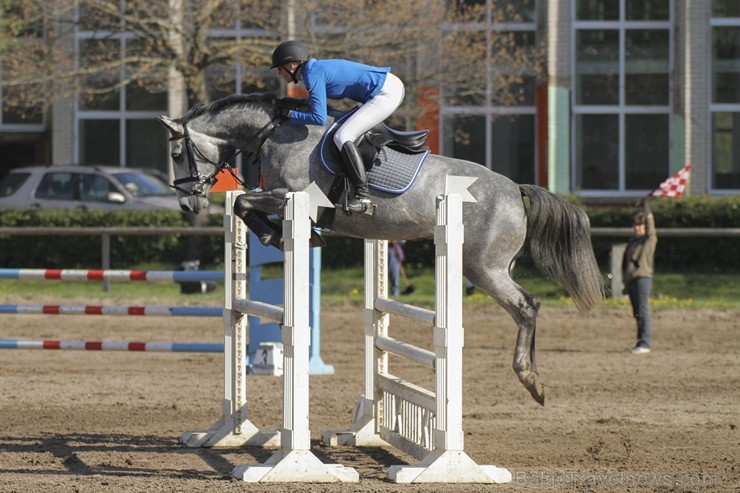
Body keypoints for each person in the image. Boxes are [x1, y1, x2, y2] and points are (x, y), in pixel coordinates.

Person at [270, 40, 405, 213]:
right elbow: (314, 108)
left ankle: (363, 197)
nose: (278, 73)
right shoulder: (312, 70)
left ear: (292, 65)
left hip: (386, 93)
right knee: (342, 129)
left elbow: (319, 118)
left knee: (343, 136)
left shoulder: (312, 74)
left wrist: (290, 115)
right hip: (384, 89)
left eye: (279, 68)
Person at [622, 197, 658, 354]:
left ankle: (645, 342)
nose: (638, 229)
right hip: (632, 281)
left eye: (641, 226)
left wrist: (647, 208)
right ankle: (640, 341)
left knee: (643, 311)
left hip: (642, 279)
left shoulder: (648, 241)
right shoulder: (632, 243)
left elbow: (651, 229)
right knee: (637, 312)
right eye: (636, 226)